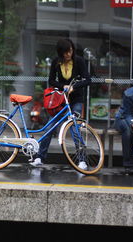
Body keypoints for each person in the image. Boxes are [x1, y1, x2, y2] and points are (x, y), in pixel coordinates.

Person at [31, 38, 91, 167]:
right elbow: (51, 81)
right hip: (61, 100)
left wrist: (74, 87)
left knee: (75, 128)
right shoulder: (56, 62)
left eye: (70, 51)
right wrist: (62, 86)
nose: (69, 54)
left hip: (76, 100)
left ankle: (82, 160)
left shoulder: (79, 61)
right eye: (66, 52)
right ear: (61, 53)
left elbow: (88, 80)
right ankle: (40, 157)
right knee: (49, 126)